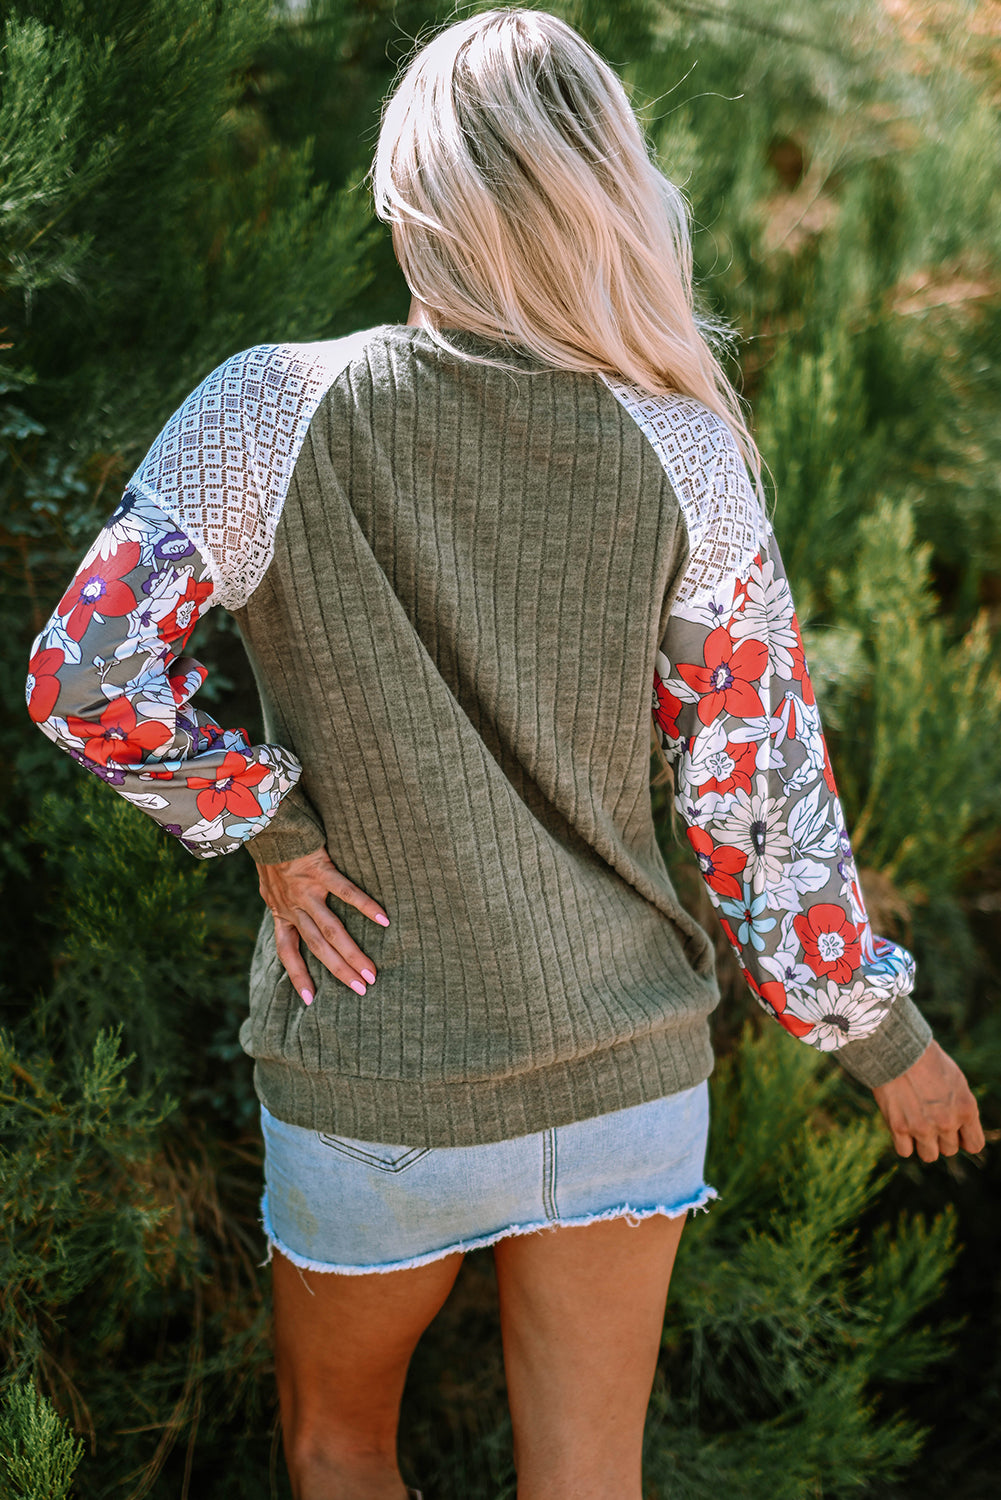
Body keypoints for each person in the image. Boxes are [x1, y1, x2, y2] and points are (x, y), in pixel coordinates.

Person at [26, 8, 984, 1499]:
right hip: (626, 1077)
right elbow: (755, 797)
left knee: (339, 1449)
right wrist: (881, 1041)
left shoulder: (270, 409)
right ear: (606, 191)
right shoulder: (684, 445)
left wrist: (266, 824)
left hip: (382, 1070)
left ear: (406, 196)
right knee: (591, 1478)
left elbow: (84, 674)